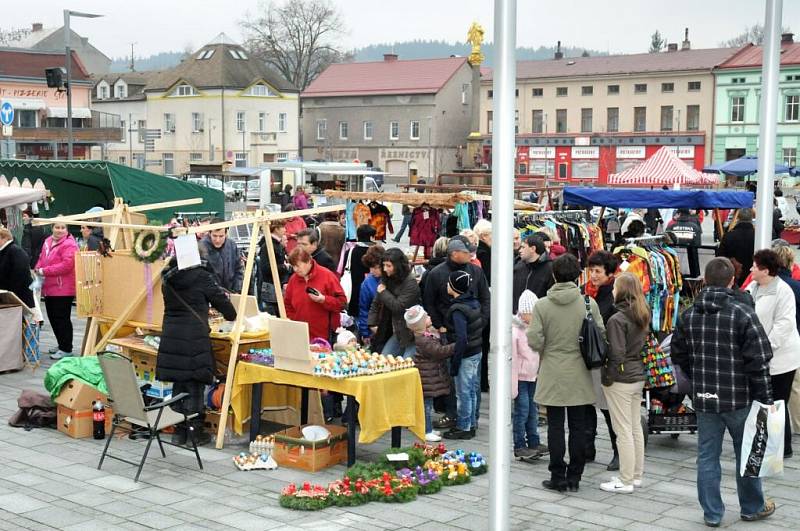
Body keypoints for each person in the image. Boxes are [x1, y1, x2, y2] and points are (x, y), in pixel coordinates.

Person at [671, 257, 776, 527]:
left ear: (705, 280)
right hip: (738, 397)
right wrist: (766, 400)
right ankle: (752, 506)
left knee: (707, 457)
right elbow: (759, 360)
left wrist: (698, 379)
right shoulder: (742, 314)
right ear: (732, 281)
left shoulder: (688, 315)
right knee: (748, 453)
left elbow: (678, 355)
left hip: (705, 397)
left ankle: (712, 513)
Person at [528, 253, 603, 493]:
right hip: (580, 370)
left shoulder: (541, 305)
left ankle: (557, 475)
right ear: (577, 275)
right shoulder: (589, 303)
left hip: (552, 368)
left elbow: (534, 340)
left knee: (555, 426)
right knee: (579, 426)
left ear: (554, 275)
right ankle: (575, 476)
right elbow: (600, 334)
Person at [156, 253, 237, 446]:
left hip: (172, 336)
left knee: (179, 382)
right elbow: (229, 311)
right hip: (193, 337)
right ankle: (194, 433)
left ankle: (179, 432)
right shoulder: (201, 277)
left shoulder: (168, 278)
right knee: (194, 384)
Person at [422, 237, 491, 430]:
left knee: (470, 381)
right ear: (454, 253)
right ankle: (457, 416)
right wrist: (439, 325)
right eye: (467, 252)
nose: (471, 255)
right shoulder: (436, 274)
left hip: (473, 334)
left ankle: (469, 420)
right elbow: (429, 301)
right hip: (448, 332)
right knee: (454, 379)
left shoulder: (476, 271)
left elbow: (486, 298)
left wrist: (481, 322)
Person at [746, 249, 800, 459]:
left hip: (781, 358)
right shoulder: (753, 287)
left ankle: (782, 448)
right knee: (763, 401)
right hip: (760, 357)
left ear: (765, 270)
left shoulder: (783, 291)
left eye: (754, 265)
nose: (750, 268)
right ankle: (766, 443)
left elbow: (784, 325)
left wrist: (764, 348)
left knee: (777, 402)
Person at [600, 272, 649, 494]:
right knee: (634, 427)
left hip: (621, 378)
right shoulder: (642, 313)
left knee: (623, 430)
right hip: (637, 375)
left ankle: (626, 478)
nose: (612, 290)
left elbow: (617, 354)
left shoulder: (617, 319)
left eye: (615, 287)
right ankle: (636, 474)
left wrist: (608, 376)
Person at [582, 250, 620, 471]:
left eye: (598, 271)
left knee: (607, 409)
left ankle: (618, 451)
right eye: (591, 270)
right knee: (586, 405)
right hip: (585, 357)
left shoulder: (612, 295)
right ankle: (588, 448)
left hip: (604, 359)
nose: (593, 275)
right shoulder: (584, 292)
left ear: (608, 273)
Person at [443, 270, 484, 440]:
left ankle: (464, 426)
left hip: (465, 355)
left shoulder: (458, 310)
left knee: (463, 392)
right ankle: (472, 422)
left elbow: (461, 338)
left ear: (454, 287)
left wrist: (455, 363)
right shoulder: (473, 302)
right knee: (472, 389)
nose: (446, 285)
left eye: (449, 282)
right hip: (477, 351)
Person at [405, 305, 454, 442]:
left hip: (428, 376)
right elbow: (439, 351)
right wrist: (456, 346)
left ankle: (428, 429)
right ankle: (425, 431)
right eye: (426, 316)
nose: (430, 317)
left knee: (427, 405)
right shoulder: (423, 340)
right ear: (420, 323)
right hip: (426, 378)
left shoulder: (424, 335)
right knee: (426, 407)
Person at [284, 247, 347, 342]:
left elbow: (342, 303)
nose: (295, 269)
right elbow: (287, 304)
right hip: (300, 335)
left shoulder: (327, 276)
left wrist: (323, 299)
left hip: (323, 335)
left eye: (298, 265)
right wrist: (294, 320)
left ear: (309, 261)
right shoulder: (293, 279)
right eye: (293, 266)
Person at [35, 222, 78, 360]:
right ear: (52, 228)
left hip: (63, 288)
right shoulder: (48, 241)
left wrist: (44, 271)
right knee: (53, 317)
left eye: (63, 228)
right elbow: (42, 258)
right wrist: (37, 268)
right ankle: (61, 344)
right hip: (49, 287)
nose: (59, 230)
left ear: (67, 230)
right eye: (57, 227)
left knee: (62, 319)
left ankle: (66, 348)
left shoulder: (70, 244)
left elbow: (67, 265)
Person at [512, 290, 546, 461]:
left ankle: (534, 441)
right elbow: (512, 359)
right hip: (520, 378)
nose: (532, 316)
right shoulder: (515, 331)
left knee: (533, 410)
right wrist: (512, 386)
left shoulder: (536, 328)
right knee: (522, 410)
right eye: (529, 313)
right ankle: (519, 445)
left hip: (533, 376)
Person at [368, 248, 420, 358]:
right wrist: (372, 323)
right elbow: (376, 303)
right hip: (395, 329)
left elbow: (398, 306)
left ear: (397, 266)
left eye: (388, 265)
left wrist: (383, 292)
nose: (385, 269)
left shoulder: (410, 282)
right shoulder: (386, 279)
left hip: (411, 331)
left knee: (407, 363)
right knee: (384, 358)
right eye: (384, 265)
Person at [473, 220, 492, 392]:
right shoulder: (485, 254)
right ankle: (482, 382)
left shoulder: (482, 253)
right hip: (484, 304)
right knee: (483, 345)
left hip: (480, 305)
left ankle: (482, 381)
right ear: (485, 236)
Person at [200, 220, 243, 293]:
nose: (217, 240)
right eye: (215, 236)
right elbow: (201, 276)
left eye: (221, 236)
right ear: (209, 233)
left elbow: (238, 269)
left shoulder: (232, 245)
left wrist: (237, 289)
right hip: (210, 295)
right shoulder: (201, 247)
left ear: (226, 234)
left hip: (231, 292)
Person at [512, 235, 553, 313]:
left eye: (523, 247)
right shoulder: (518, 267)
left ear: (533, 249)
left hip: (538, 319)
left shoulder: (550, 269)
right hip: (516, 318)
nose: (520, 250)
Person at [257, 220, 290, 316]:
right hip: (271, 286)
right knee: (274, 314)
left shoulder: (275, 244)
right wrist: (285, 267)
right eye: (283, 227)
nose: (285, 230)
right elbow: (266, 268)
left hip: (276, 285)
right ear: (276, 229)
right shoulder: (269, 245)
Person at [717, 208, 755, 287]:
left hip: (733, 276)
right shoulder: (758, 237)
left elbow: (720, 258)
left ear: (738, 218)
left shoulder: (729, 236)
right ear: (752, 218)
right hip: (753, 276)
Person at [345, 224, 377, 319]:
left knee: (358, 318)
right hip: (373, 291)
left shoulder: (351, 251)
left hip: (354, 291)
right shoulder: (377, 252)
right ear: (371, 237)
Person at [357, 245, 385, 344]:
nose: (372, 271)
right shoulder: (367, 283)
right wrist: (365, 333)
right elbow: (364, 309)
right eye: (371, 268)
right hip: (374, 328)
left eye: (376, 268)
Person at [0, 227, 34, 308]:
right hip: (10, 297)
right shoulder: (6, 251)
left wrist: (10, 291)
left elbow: (20, 273)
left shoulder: (14, 250)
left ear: (5, 238)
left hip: (18, 297)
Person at [667, 209, 703, 278]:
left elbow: (667, 244)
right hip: (691, 261)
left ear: (679, 214)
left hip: (675, 259)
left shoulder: (671, 227)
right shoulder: (694, 227)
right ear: (689, 214)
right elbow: (698, 245)